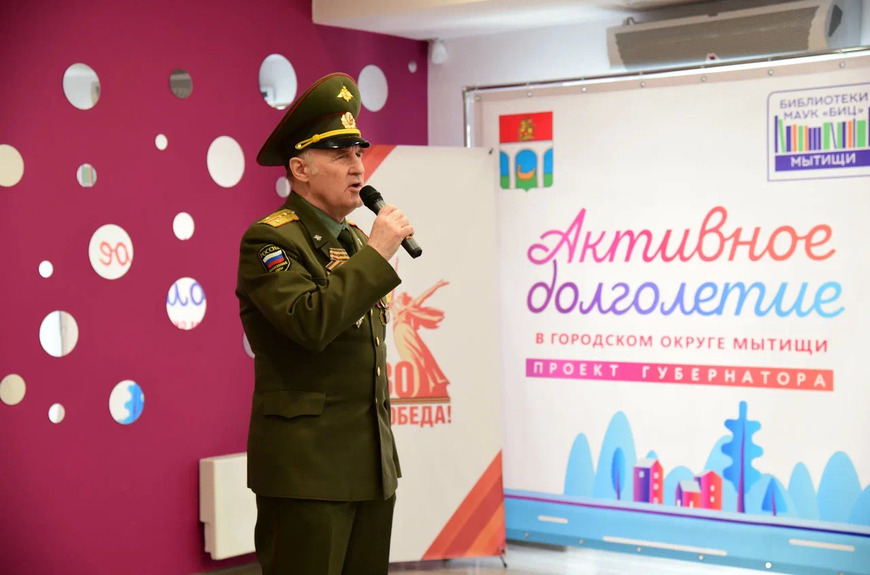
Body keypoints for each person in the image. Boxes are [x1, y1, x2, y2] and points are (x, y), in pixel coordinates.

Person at [236, 72, 413, 575]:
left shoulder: (355, 240)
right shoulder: (269, 240)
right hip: (307, 472)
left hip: (370, 466)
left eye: (358, 153)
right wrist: (378, 252)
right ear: (300, 168)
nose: (357, 166)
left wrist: (370, 251)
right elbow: (310, 323)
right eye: (339, 155)